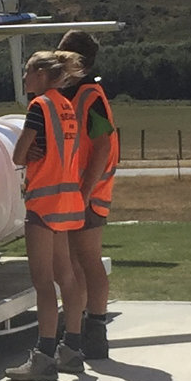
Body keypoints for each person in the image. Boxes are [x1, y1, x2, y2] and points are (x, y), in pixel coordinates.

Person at [4, 50, 89, 381]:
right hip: (68, 200)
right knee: (66, 276)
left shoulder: (39, 106)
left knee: (42, 282)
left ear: (41, 73)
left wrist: (29, 152)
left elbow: (18, 154)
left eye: (27, 72)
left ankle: (43, 355)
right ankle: (72, 349)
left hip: (43, 201)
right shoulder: (67, 105)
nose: (24, 78)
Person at [60, 29, 119, 359]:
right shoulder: (76, 93)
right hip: (79, 190)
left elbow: (102, 145)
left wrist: (84, 192)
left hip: (89, 192)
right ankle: (82, 326)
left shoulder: (89, 96)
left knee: (87, 259)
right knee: (76, 262)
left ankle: (95, 327)